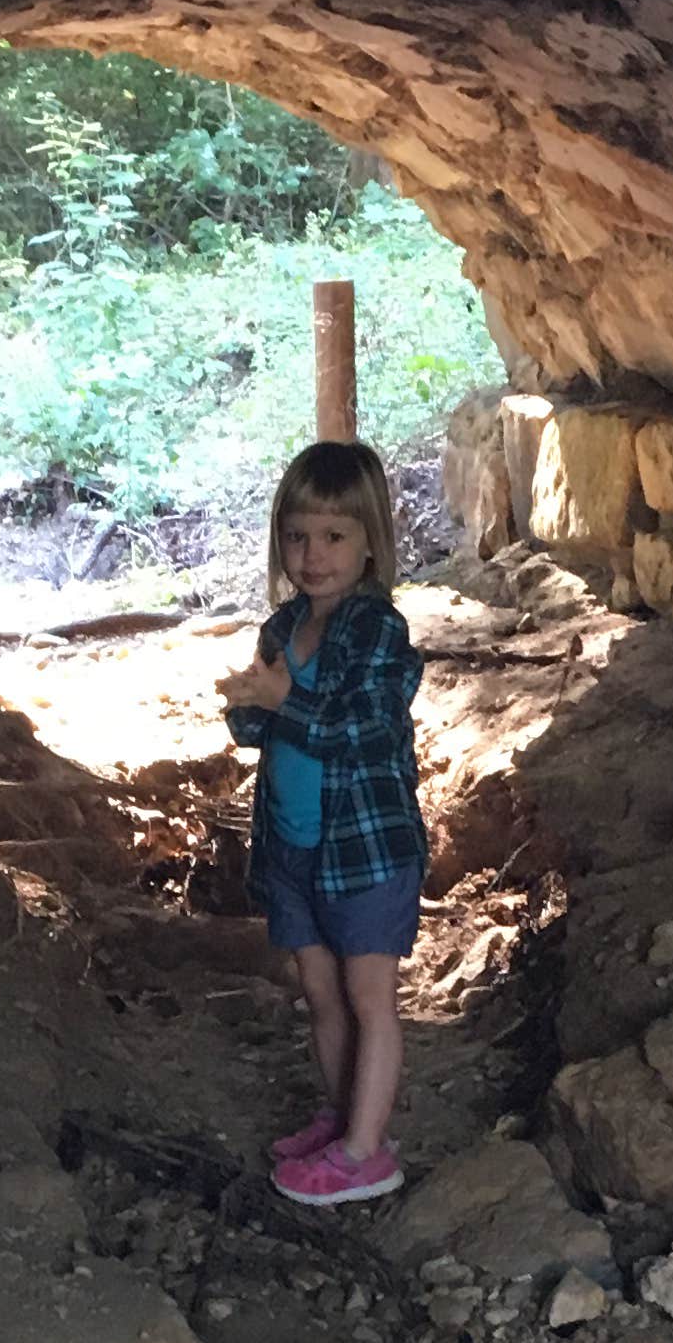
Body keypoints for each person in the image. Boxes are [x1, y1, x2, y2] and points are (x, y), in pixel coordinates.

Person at [217, 440, 426, 1205]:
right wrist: (249, 706)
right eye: (297, 536)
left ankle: (368, 1152)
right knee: (322, 996)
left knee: (370, 999)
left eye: (334, 536)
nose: (313, 555)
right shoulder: (283, 628)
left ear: (371, 542)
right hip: (293, 845)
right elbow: (263, 732)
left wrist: (286, 702)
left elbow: (362, 730)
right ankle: (344, 1120)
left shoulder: (377, 632)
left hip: (364, 849)